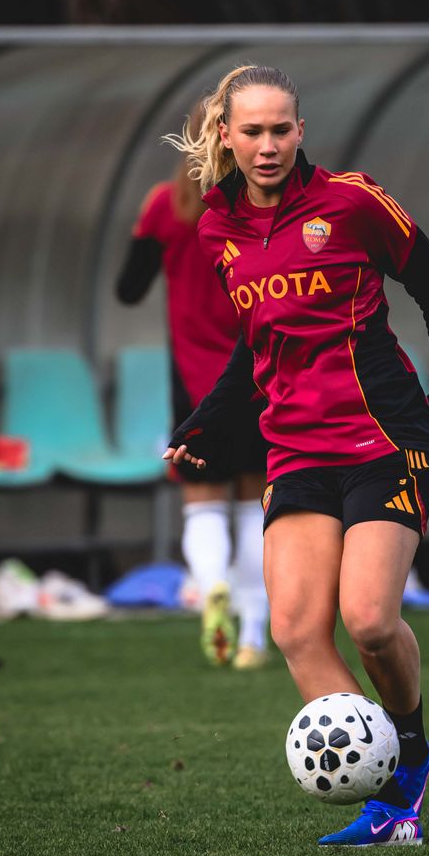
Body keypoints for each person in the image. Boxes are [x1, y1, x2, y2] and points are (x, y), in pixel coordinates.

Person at [162, 65, 429, 846]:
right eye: (252, 131)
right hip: (294, 451)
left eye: (281, 129)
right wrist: (203, 429)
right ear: (225, 137)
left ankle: (412, 760)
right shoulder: (215, 230)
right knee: (299, 631)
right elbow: (254, 350)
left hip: (385, 439)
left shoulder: (352, 201)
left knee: (367, 620)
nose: (267, 146)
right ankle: (392, 795)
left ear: (301, 132)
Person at [115, 115, 270, 670]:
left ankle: (211, 588)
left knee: (202, 504)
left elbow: (128, 291)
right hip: (257, 375)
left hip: (194, 385)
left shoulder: (167, 205)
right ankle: (254, 635)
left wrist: (145, 229)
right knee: (257, 506)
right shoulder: (260, 206)